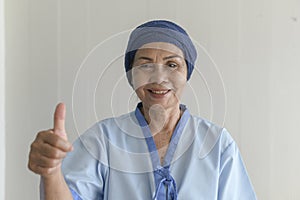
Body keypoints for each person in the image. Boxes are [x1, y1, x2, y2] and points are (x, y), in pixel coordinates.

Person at [28, 20, 257, 200]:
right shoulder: (103, 140)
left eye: (172, 65)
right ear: (131, 75)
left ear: (187, 73)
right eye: (145, 64)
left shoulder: (217, 144)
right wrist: (51, 173)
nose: (159, 78)